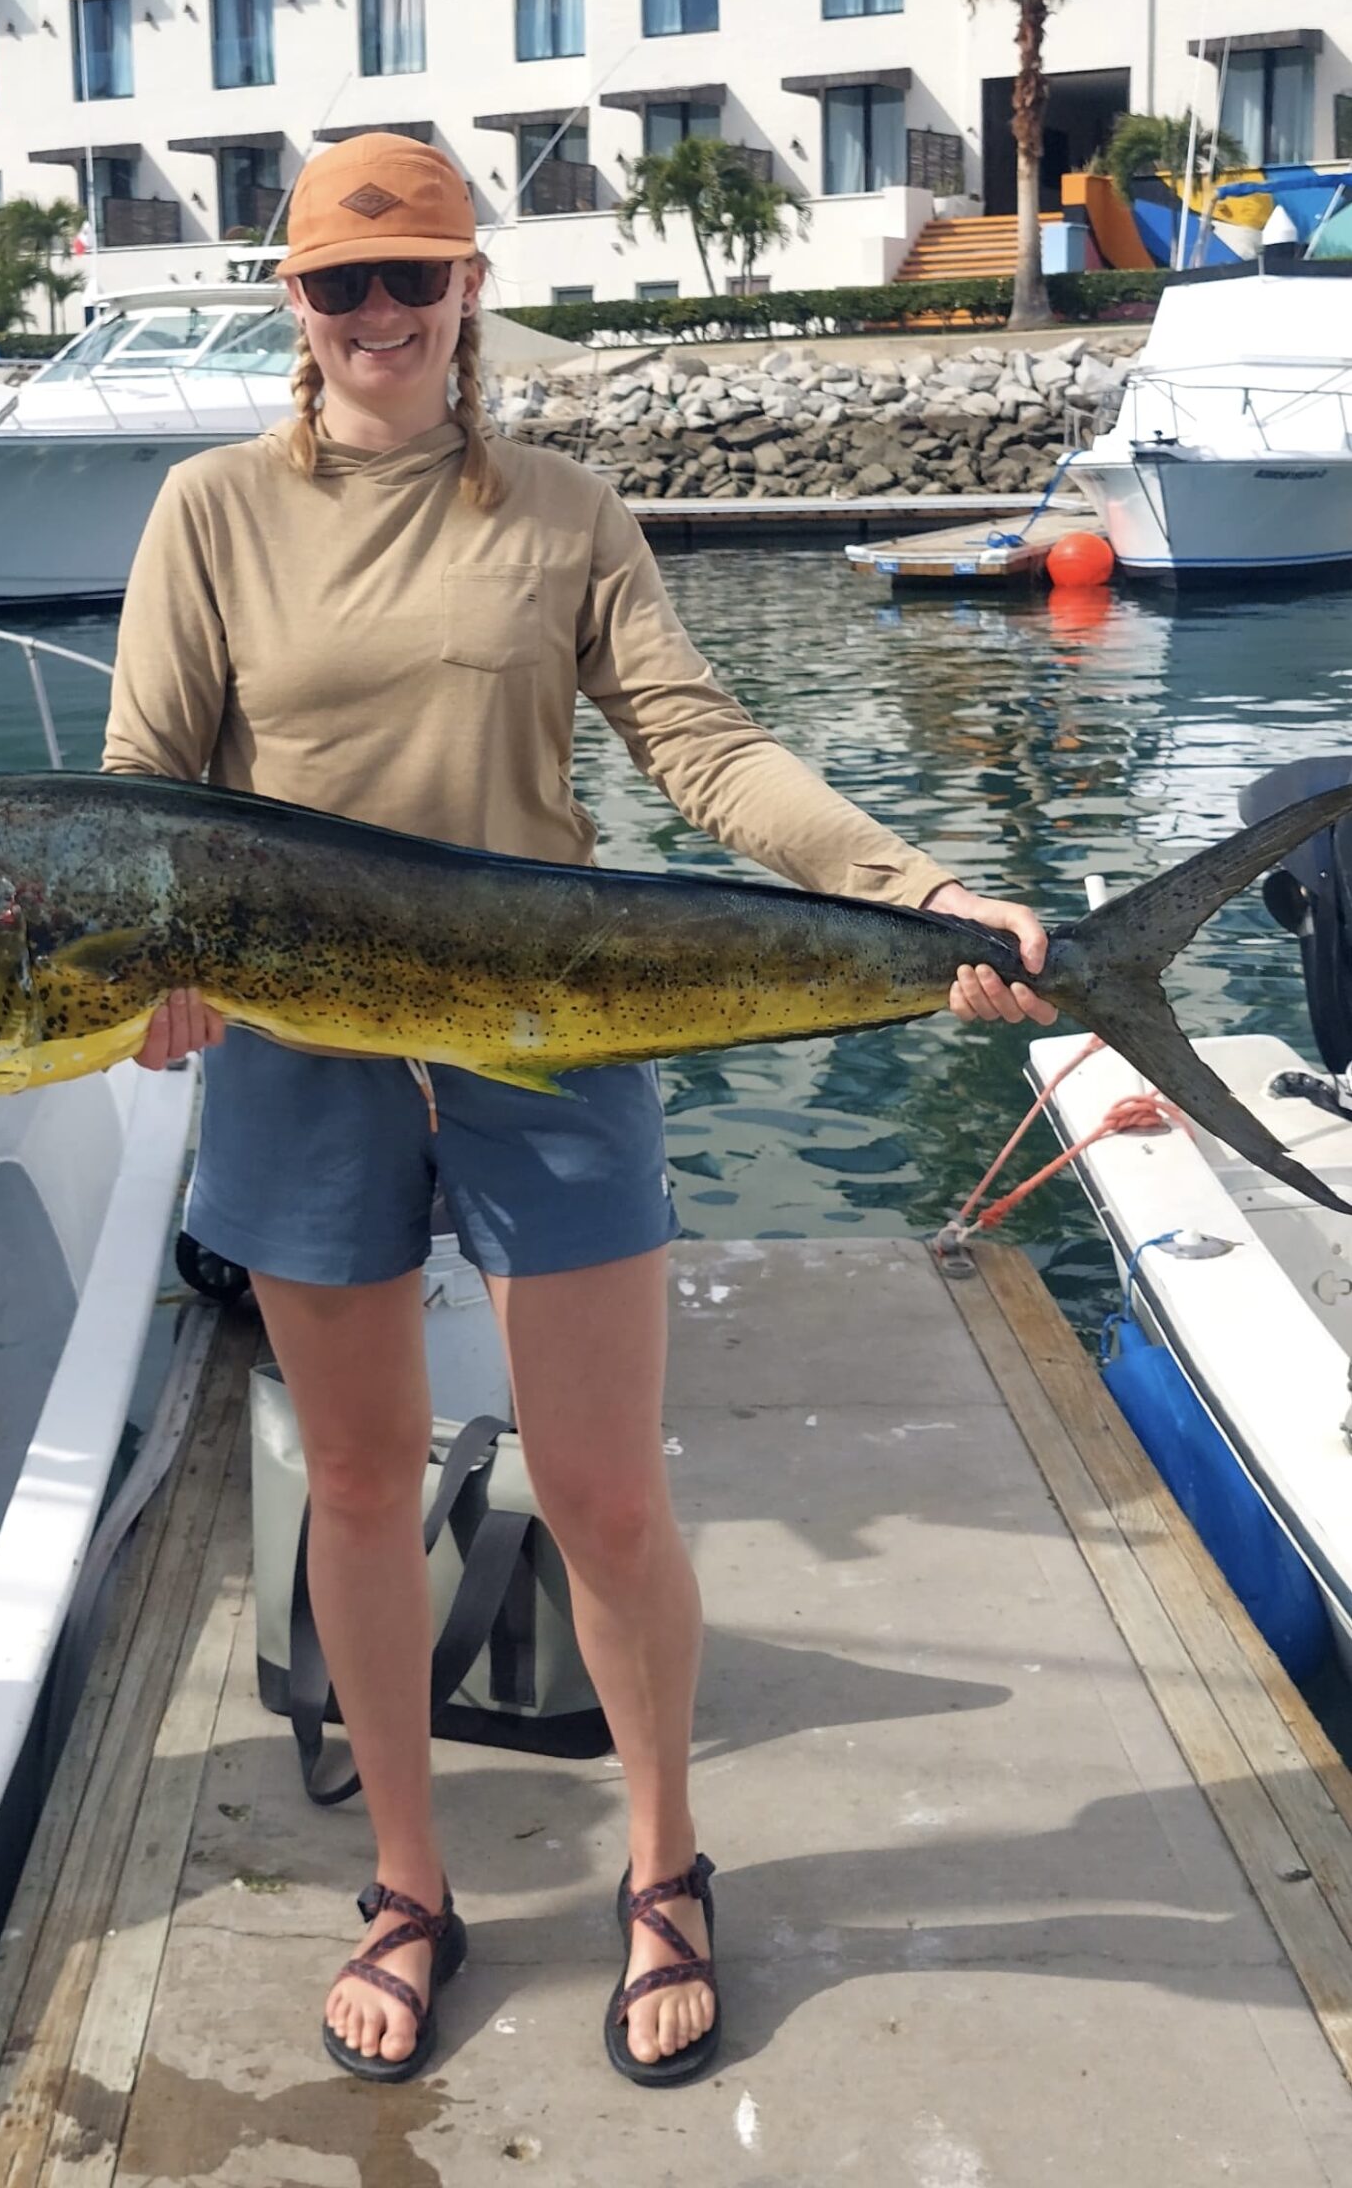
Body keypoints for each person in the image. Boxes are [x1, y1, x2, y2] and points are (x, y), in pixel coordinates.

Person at [101, 133, 1054, 2089]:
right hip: (297, 1047)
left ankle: (664, 1861)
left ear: (468, 288)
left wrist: (912, 887)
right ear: (290, 302)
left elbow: (702, 752)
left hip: (548, 1028)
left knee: (609, 1493)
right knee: (359, 1485)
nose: (377, 316)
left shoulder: (564, 508)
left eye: (412, 278)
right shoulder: (207, 509)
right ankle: (405, 1878)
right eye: (338, 286)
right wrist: (147, 965)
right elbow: (144, 793)